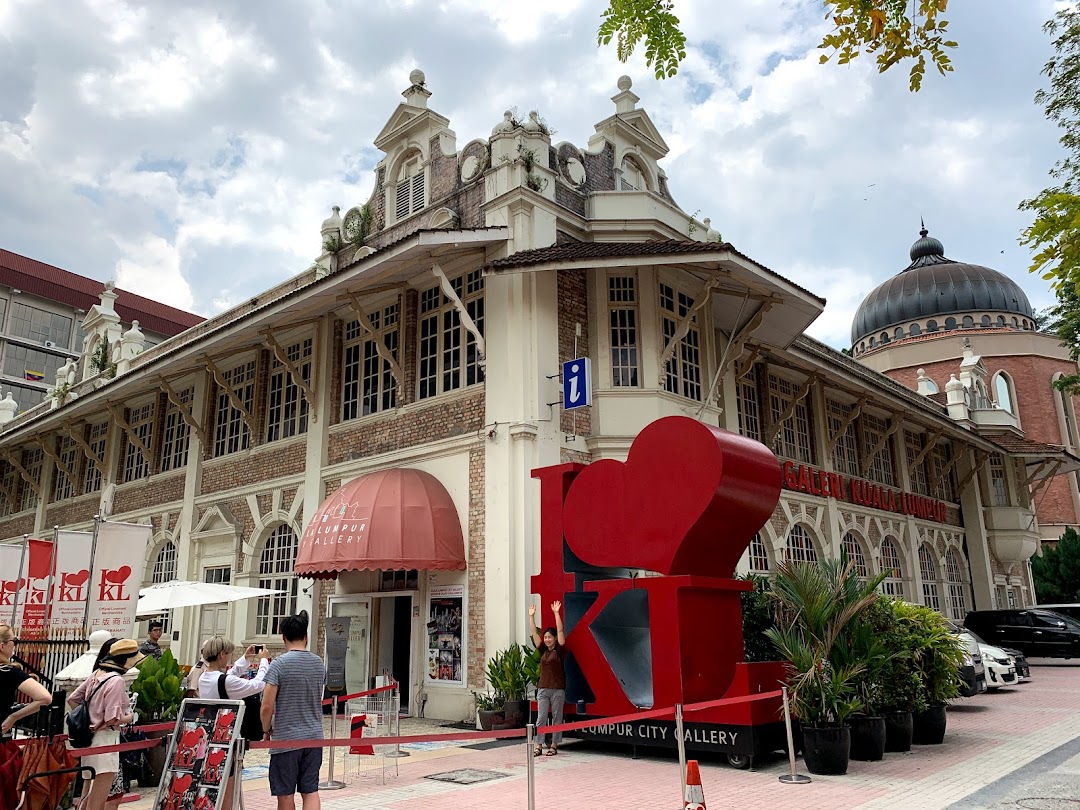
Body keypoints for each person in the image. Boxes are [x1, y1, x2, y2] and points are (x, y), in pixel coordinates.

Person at [68, 638, 145, 810]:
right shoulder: (116, 681)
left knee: (87, 795)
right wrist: (130, 717)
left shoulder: (97, 674)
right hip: (106, 741)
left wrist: (89, 719)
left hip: (90, 740)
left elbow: (72, 699)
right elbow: (112, 719)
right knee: (98, 800)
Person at [261, 613, 325, 810]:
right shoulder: (319, 663)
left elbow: (266, 705)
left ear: (283, 637)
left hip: (286, 739)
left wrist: (266, 730)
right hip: (314, 737)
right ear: (306, 636)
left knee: (285, 794)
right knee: (311, 790)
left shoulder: (278, 664)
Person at [198, 637, 269, 810]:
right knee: (228, 789)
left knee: (214, 787)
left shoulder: (204, 677)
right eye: (228, 654)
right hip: (227, 739)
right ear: (222, 654)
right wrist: (264, 661)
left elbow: (228, 677)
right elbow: (257, 684)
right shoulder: (224, 681)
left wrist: (245, 659)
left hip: (209, 737)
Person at [0, 623, 53, 737]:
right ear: (2, 646)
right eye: (14, 641)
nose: (15, 645)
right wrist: (14, 717)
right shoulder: (9, 672)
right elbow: (45, 698)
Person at [529, 600, 567, 757]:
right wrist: (531, 617)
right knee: (541, 718)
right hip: (543, 688)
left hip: (557, 689)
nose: (547, 639)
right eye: (545, 637)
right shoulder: (542, 651)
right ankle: (538, 746)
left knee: (557, 718)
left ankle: (554, 746)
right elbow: (534, 634)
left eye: (550, 637)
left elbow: (560, 630)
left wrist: (556, 613)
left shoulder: (560, 650)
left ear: (555, 639)